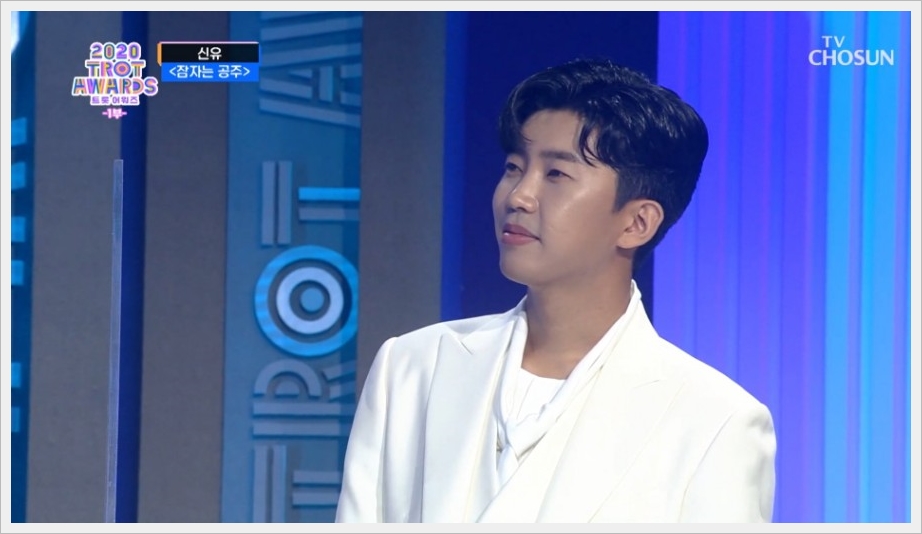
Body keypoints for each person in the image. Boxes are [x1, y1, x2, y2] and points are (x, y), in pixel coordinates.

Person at [336, 58, 776, 523]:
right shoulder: (413, 367)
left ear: (637, 222)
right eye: (514, 167)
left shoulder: (713, 420)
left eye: (556, 175)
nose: (518, 196)